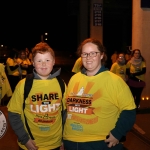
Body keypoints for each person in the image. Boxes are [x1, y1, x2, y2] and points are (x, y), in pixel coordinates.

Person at [63, 38, 136, 150]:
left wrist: (117, 134)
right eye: (85, 54)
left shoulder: (114, 81)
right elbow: (66, 109)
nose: (88, 58)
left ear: (101, 55)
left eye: (93, 53)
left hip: (99, 143)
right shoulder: (74, 78)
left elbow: (129, 111)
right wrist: (62, 138)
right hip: (71, 142)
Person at [7, 42, 67, 150]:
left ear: (53, 62)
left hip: (56, 144)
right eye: (39, 61)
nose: (43, 64)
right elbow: (13, 113)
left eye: (47, 60)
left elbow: (65, 113)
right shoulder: (23, 85)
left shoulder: (61, 84)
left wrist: (63, 139)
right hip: (31, 144)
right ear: (33, 63)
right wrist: (24, 139)